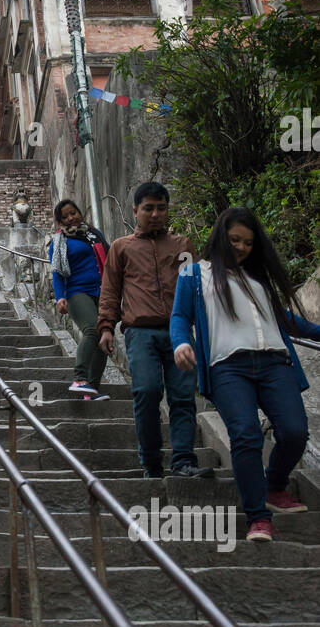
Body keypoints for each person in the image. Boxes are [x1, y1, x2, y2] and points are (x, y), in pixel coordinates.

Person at [171, 207, 320, 540]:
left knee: (295, 432)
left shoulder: (258, 281)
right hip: (228, 367)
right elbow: (180, 316)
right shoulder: (195, 274)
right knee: (246, 434)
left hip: (274, 363)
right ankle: (258, 517)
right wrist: (181, 343)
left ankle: (275, 486)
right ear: (220, 236)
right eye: (234, 239)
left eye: (248, 243)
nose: (240, 247)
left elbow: (288, 322)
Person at [97, 181, 212, 479]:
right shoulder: (122, 248)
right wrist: (106, 327)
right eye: (148, 208)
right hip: (140, 333)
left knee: (183, 397)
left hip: (180, 333)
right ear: (135, 210)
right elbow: (110, 291)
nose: (156, 214)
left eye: (161, 208)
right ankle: (150, 462)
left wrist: (205, 329)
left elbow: (196, 287)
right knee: (146, 392)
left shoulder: (182, 246)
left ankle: (184, 460)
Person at [48, 198, 110, 402]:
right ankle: (79, 378)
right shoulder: (60, 241)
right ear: (60, 221)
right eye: (64, 216)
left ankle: (91, 390)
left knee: (104, 337)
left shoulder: (94, 234)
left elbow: (112, 257)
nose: (70, 218)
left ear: (79, 212)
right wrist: (60, 297)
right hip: (76, 292)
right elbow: (57, 272)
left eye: (73, 213)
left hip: (101, 291)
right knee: (92, 329)